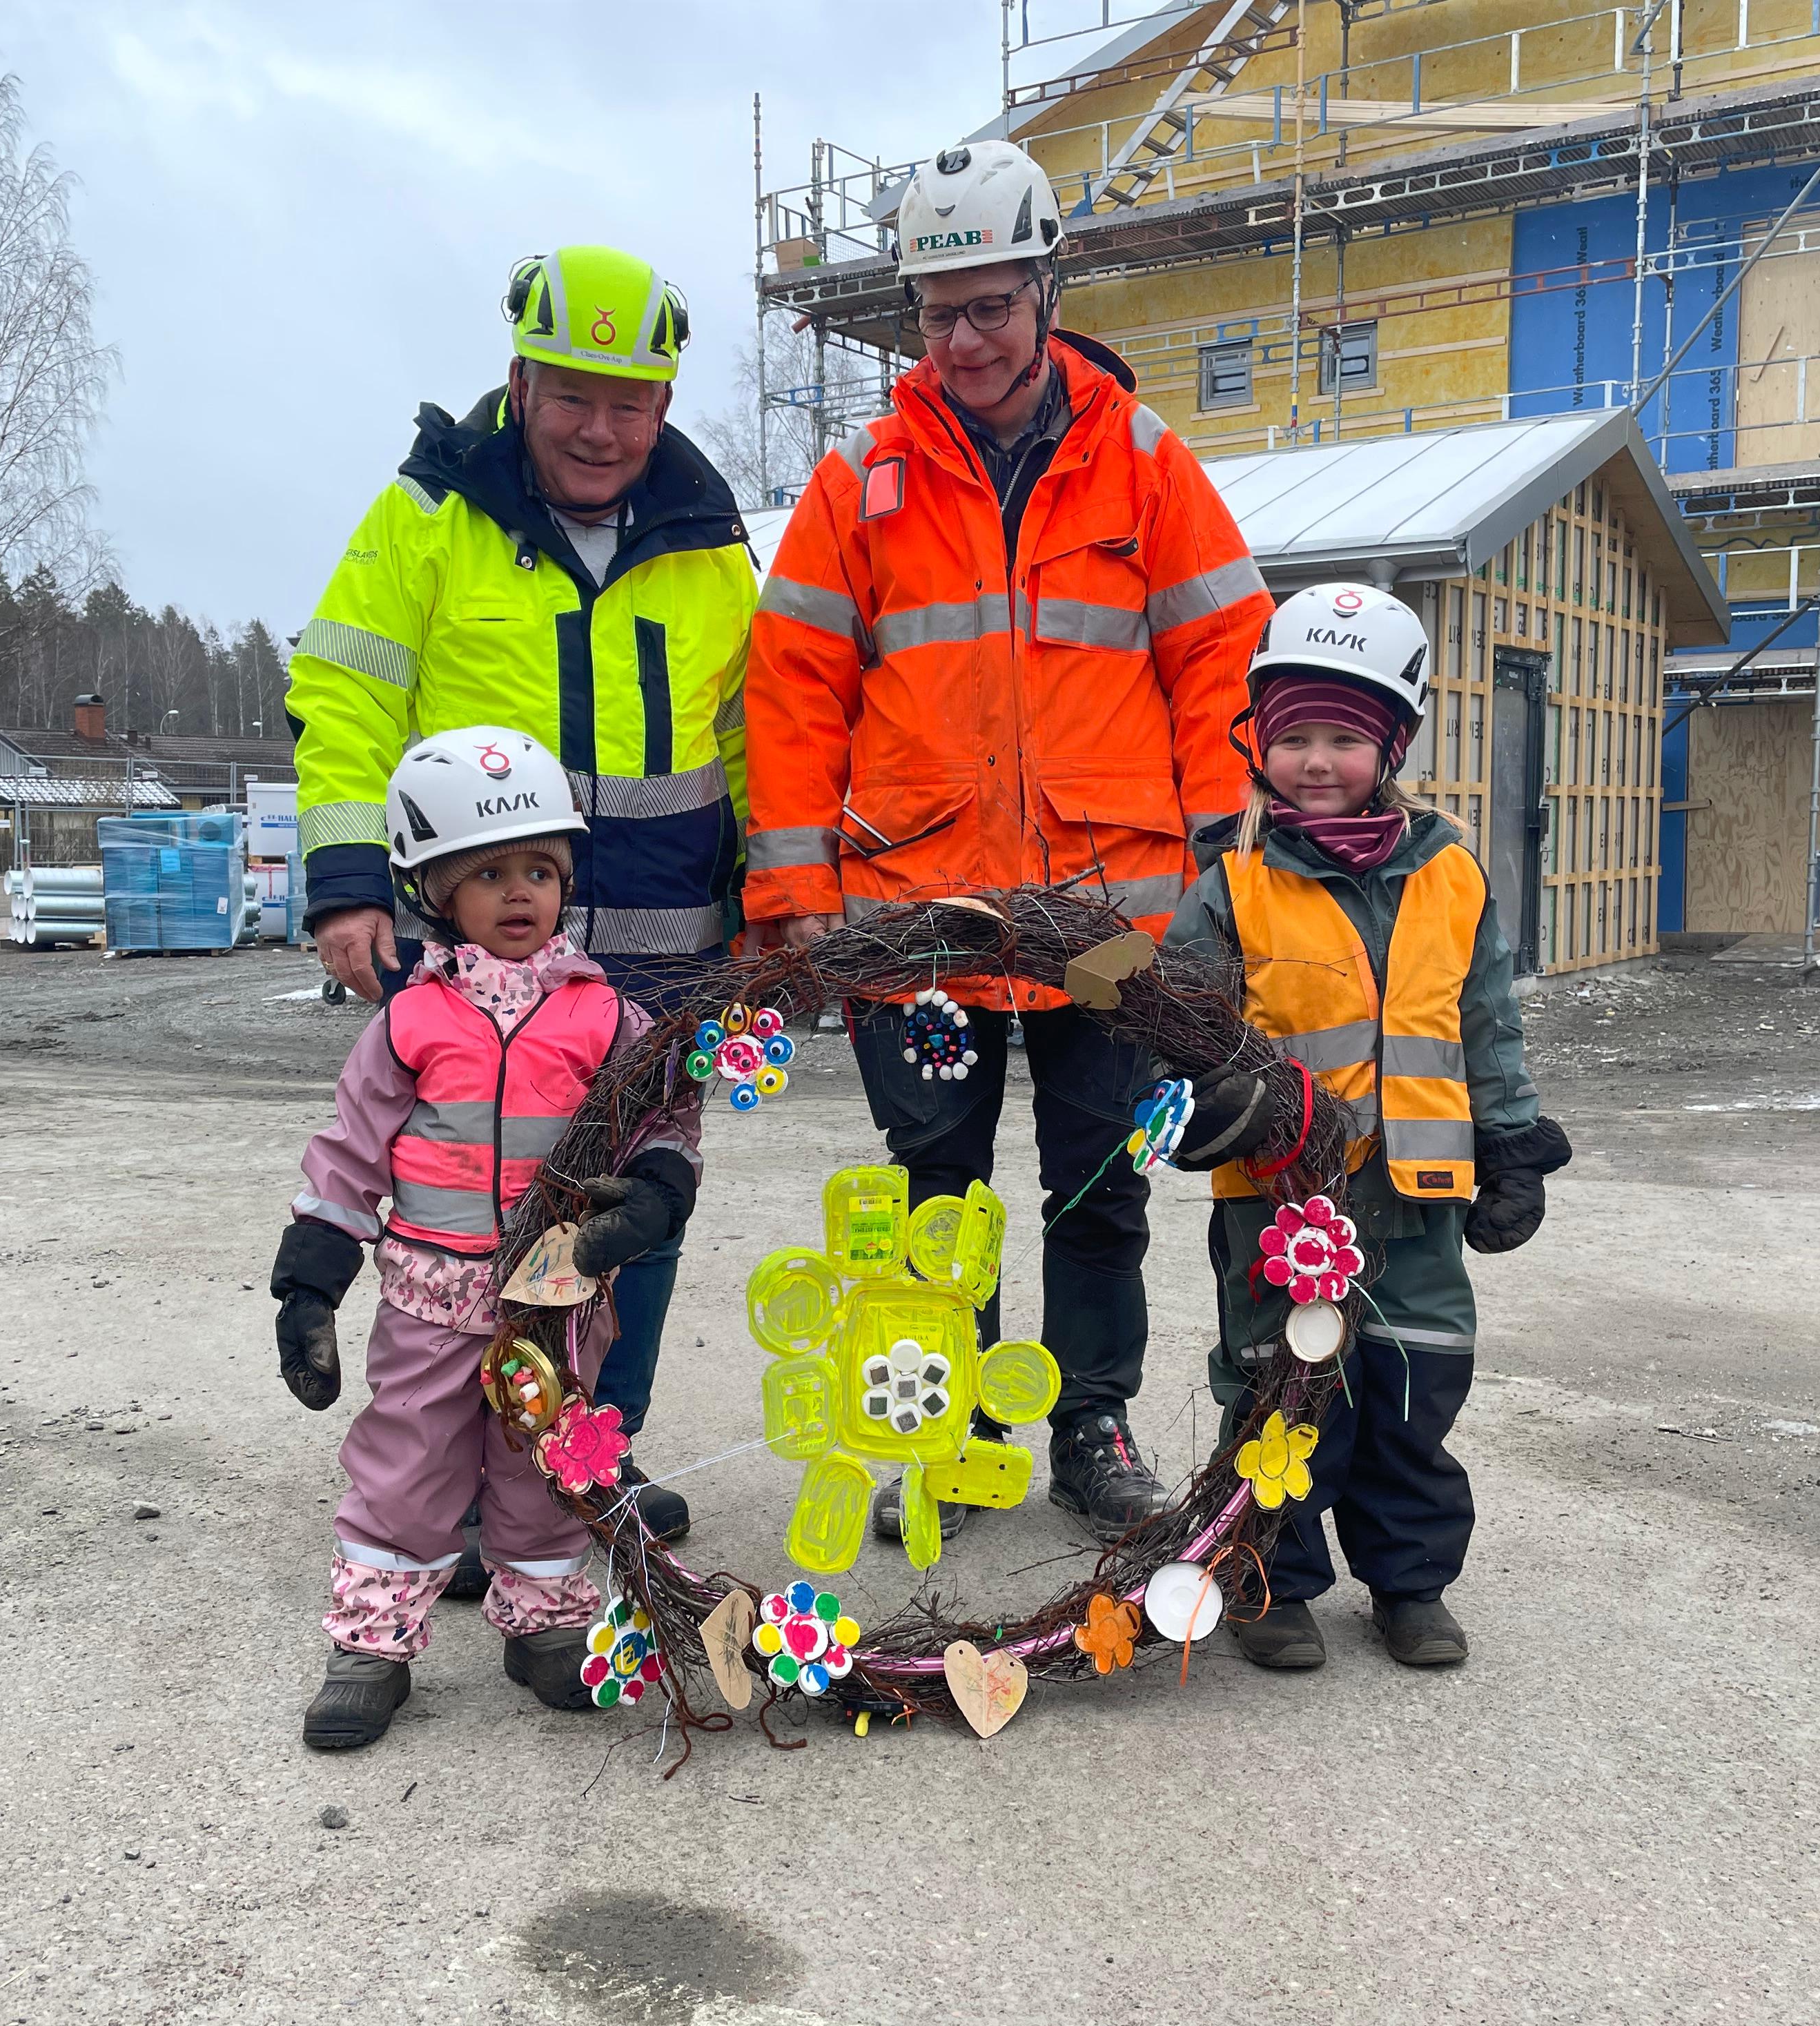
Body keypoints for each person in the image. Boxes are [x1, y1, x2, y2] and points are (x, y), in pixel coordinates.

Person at [743, 139, 1269, 1542]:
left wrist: (1226, 851)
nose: (964, 339)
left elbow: (1226, 651)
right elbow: (792, 690)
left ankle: (1090, 1424)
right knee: (935, 1195)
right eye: (936, 313)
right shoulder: (861, 484)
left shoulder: (1145, 465)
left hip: (1109, 915)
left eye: (989, 306)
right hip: (914, 916)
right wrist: (797, 894)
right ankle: (957, 1430)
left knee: (1099, 1181)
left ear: (1046, 290)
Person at [286, 244, 758, 1544]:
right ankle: (440, 1488)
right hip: (474, 958)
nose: (601, 430)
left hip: (666, 955)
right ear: (518, 381)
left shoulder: (712, 547)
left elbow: (752, 735)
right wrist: (343, 887)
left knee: (636, 1215)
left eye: (631, 402)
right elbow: (346, 693)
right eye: (571, 396)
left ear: (664, 405)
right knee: (464, 1209)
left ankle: (587, 1462)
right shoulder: (432, 515)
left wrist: (782, 895)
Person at [1164, 582, 1572, 1671]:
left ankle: (1409, 1583)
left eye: (1343, 736)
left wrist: (1515, 1142)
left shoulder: (1450, 871)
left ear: (1391, 742)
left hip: (1416, 1200)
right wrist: (1206, 1106)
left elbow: (1486, 1023)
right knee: (1277, 1387)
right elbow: (1185, 1029)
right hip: (1277, 1201)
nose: (1314, 759)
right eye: (1292, 735)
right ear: (1260, 741)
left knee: (1412, 1385)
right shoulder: (1233, 880)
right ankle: (1271, 1583)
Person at [268, 729, 701, 1749]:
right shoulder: (411, 1021)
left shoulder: (608, 1018)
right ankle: (372, 1644)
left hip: (557, 1300)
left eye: (542, 871)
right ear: (433, 893)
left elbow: (666, 1117)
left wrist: (658, 1187)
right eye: (490, 873)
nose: (521, 893)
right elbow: (351, 1146)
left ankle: (545, 1626)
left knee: (547, 1464)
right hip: (431, 1297)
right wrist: (313, 1273)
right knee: (408, 1463)